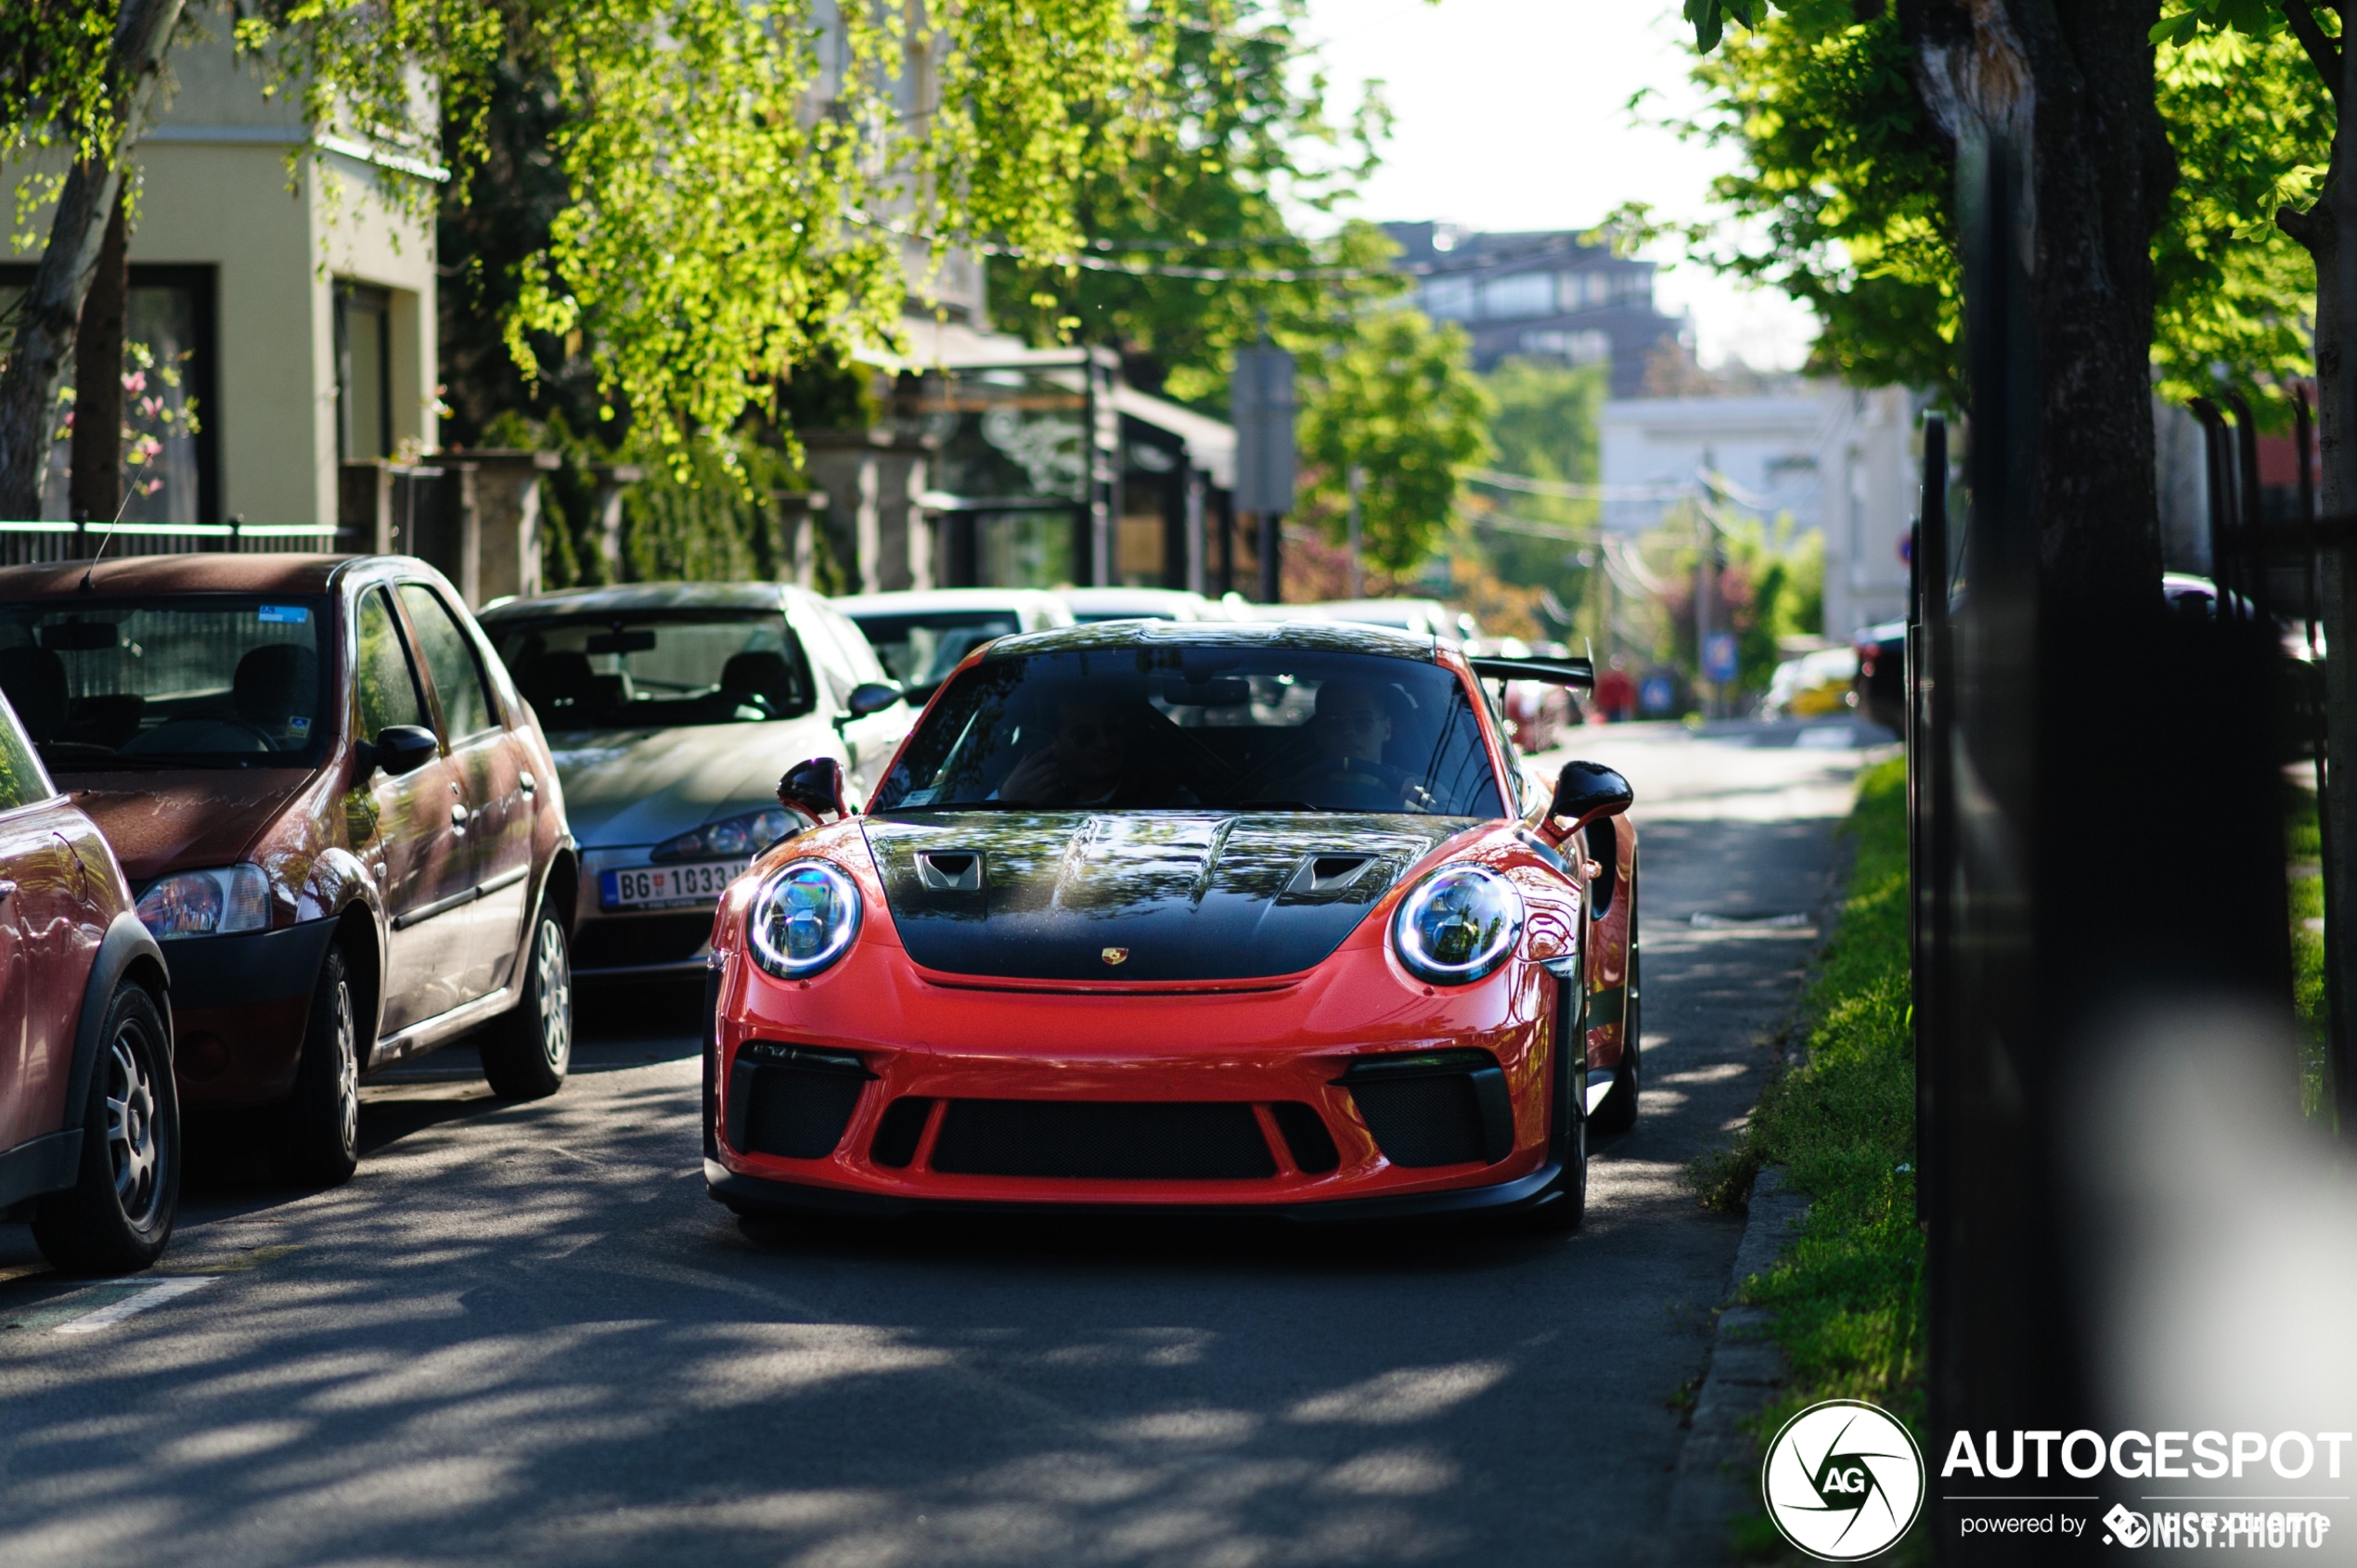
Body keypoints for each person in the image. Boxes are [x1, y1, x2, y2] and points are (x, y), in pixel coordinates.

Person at [996, 688, 1192, 807]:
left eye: (1111, 728)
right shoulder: (1022, 791)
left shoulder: (1165, 793)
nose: (1105, 743)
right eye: (1085, 736)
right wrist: (1008, 804)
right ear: (1053, 741)